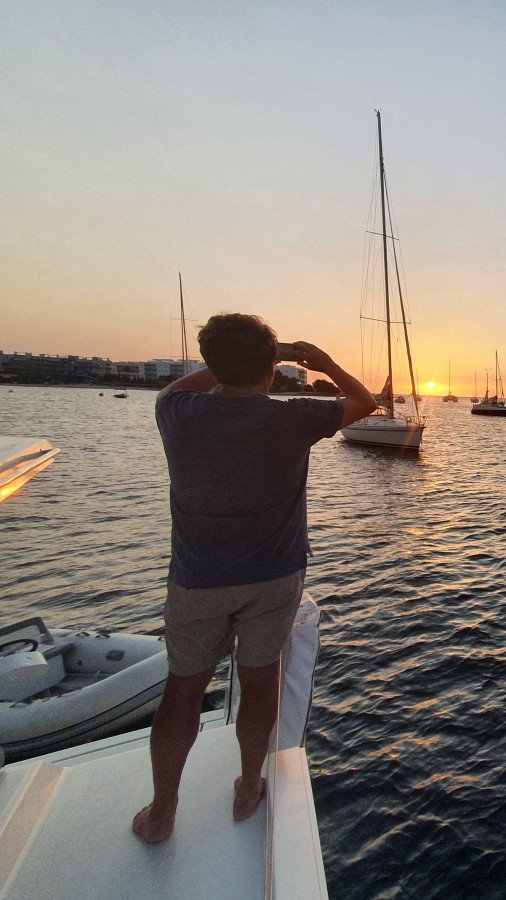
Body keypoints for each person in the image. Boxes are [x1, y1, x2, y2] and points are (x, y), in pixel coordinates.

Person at [132, 313, 376, 844]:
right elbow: (366, 403)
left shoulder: (176, 411)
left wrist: (227, 366)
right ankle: (248, 787)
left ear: (212, 364)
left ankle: (164, 812)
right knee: (261, 682)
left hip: (199, 578)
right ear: (272, 370)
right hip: (274, 576)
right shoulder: (293, 418)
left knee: (182, 691)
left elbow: (180, 385)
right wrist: (320, 361)